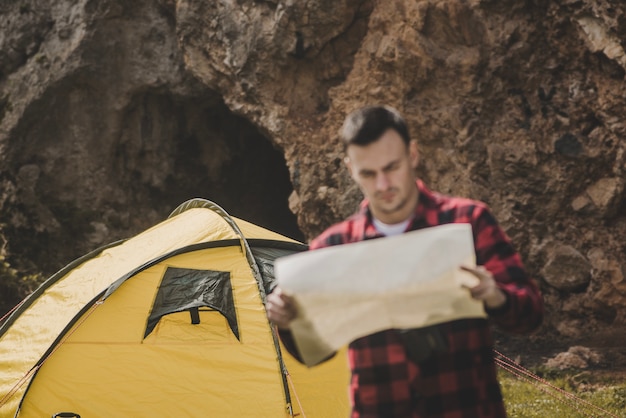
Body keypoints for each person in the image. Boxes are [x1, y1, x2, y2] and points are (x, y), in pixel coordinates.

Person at [266, 105, 544, 418]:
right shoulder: (333, 248)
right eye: (368, 174)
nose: (383, 185)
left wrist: (495, 295)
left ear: (413, 155)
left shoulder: (468, 222)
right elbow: (313, 352)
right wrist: (289, 323)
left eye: (391, 167)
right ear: (350, 169)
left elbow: (531, 314)